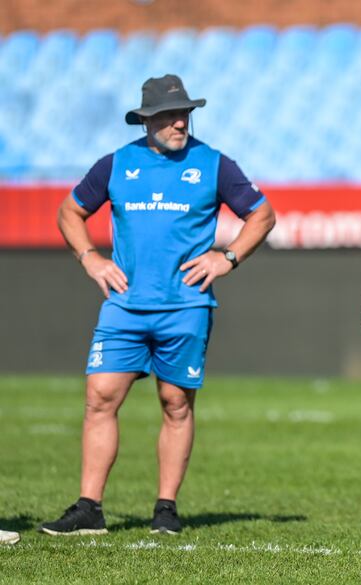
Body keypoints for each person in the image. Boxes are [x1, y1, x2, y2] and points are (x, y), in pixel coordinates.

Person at [40, 74, 275, 536]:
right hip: (123, 307)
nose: (180, 122)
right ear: (146, 120)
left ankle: (165, 508)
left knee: (175, 404)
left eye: (185, 113)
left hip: (186, 307)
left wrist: (227, 257)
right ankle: (90, 508)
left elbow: (261, 214)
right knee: (100, 398)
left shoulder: (213, 164)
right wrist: (90, 259)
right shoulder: (116, 164)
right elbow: (70, 212)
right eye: (169, 115)